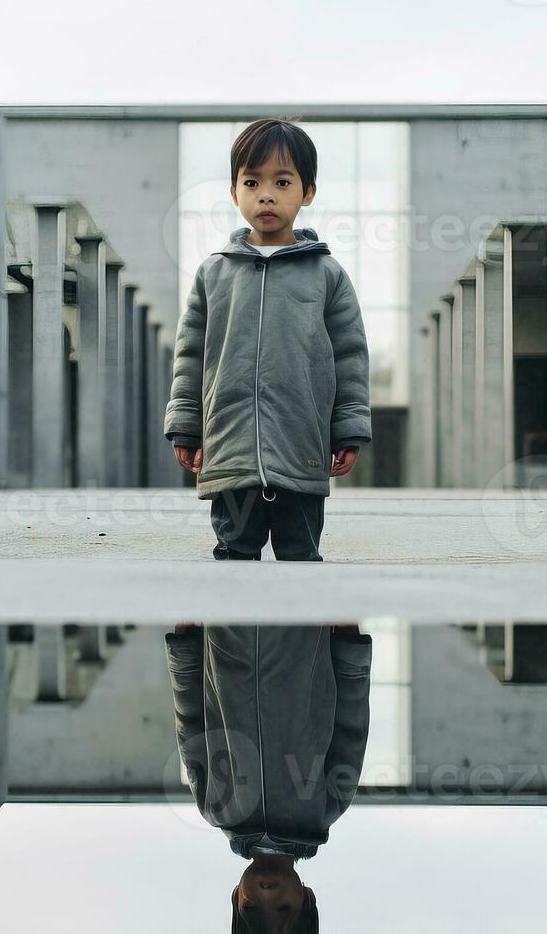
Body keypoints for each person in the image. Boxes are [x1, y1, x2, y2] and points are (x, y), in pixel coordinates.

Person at [162, 117, 372, 561]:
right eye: (252, 181)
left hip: (302, 451)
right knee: (233, 557)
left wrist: (348, 429)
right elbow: (191, 356)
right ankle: (218, 634)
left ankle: (315, 634)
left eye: (282, 181)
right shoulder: (213, 274)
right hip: (230, 453)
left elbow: (350, 356)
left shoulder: (328, 275)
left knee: (301, 559)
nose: (267, 195)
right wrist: (185, 423)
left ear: (307, 192)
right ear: (235, 191)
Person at [164, 622, 372, 933]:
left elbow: (190, 721)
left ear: (237, 896)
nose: (267, 894)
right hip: (300, 629)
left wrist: (184, 646)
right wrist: (348, 640)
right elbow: (350, 723)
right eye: (283, 907)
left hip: (226, 630)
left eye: (252, 906)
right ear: (307, 897)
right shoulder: (326, 807)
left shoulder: (215, 807)